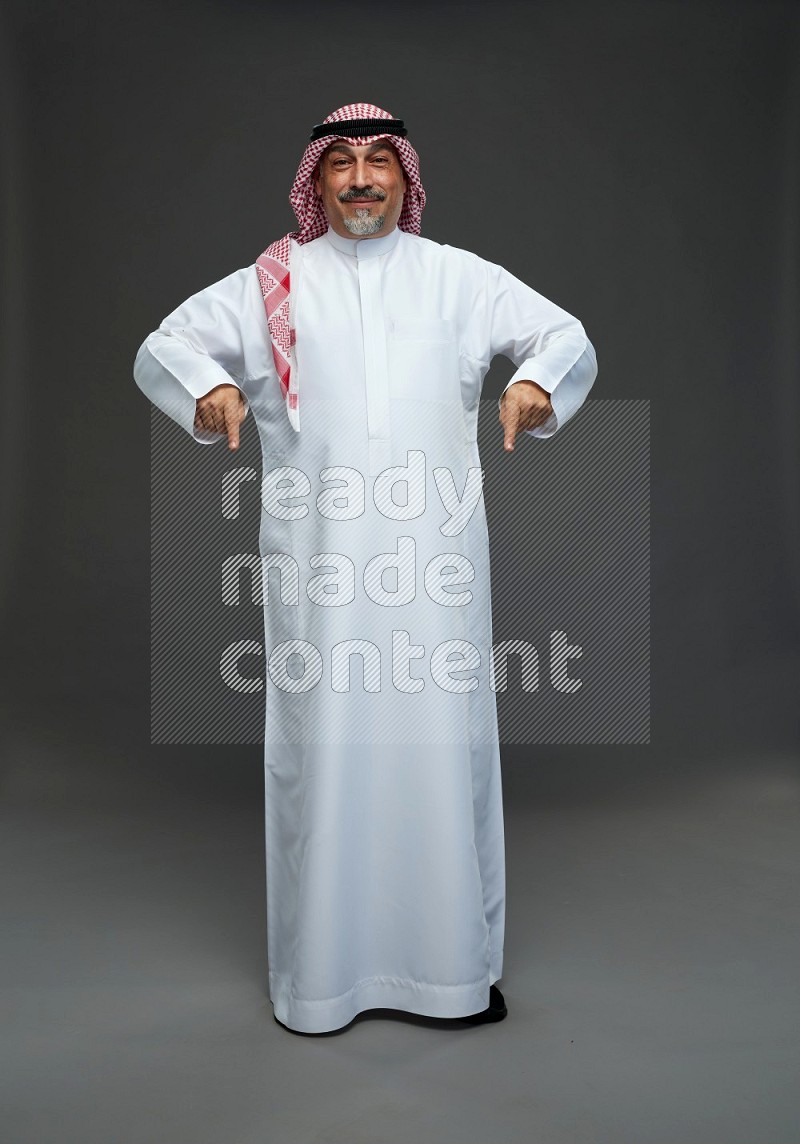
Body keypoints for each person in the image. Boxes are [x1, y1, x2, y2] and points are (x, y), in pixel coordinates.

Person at [133, 102, 598, 1035]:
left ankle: (453, 974)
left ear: (405, 177)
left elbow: (565, 336)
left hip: (434, 570)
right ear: (316, 180)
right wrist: (213, 385)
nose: (360, 179)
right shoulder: (274, 282)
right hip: (322, 575)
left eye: (379, 161)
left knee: (444, 749)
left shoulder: (458, 280)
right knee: (326, 754)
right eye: (340, 163)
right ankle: (323, 981)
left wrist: (536, 383)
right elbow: (163, 347)